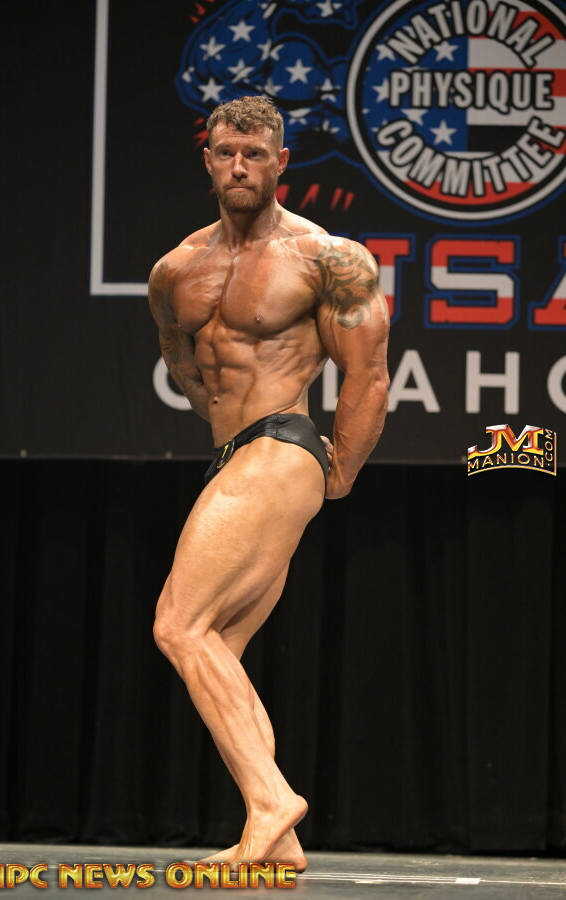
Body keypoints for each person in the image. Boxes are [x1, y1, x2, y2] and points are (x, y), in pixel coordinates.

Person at [148, 96, 389, 870]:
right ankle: (278, 839)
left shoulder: (327, 258)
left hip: (283, 446)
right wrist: (226, 429)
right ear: (208, 158)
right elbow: (185, 368)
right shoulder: (175, 270)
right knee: (215, 644)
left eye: (255, 153)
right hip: (235, 455)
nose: (239, 165)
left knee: (177, 625)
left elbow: (368, 375)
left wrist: (338, 468)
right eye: (226, 152)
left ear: (282, 161)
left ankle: (271, 799)